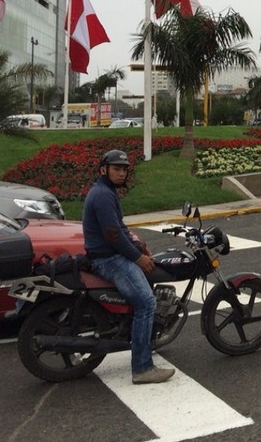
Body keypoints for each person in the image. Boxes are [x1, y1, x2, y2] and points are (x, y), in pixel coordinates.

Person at [82, 149, 174, 385]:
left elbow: (119, 227)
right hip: (108, 259)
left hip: (109, 254)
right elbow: (112, 236)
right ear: (104, 169)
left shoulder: (106, 191)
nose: (121, 173)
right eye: (116, 168)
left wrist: (137, 243)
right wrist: (137, 257)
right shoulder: (103, 195)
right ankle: (142, 368)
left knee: (148, 283)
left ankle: (145, 339)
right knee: (146, 303)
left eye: (124, 169)